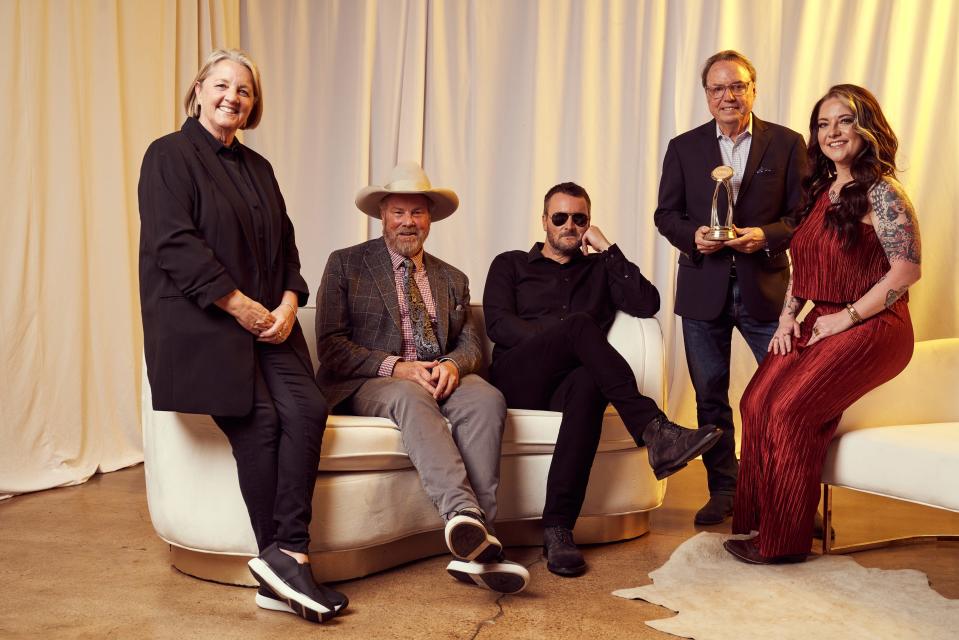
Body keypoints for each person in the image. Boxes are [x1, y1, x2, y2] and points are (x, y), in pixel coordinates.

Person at [138, 49, 346, 624]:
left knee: (306, 407)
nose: (234, 96)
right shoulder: (168, 156)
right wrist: (239, 306)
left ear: (254, 105)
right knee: (261, 423)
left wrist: (285, 302)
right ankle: (281, 560)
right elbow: (174, 244)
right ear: (199, 90)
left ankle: (286, 558)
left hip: (266, 322)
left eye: (245, 90)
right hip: (204, 324)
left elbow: (286, 247)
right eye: (223, 85)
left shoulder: (259, 169)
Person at [483, 182, 722, 577]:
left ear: (588, 224)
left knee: (589, 385)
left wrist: (608, 248)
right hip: (518, 378)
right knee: (577, 328)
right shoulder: (510, 264)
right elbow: (498, 325)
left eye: (579, 219)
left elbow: (647, 303)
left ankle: (558, 529)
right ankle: (654, 429)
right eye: (560, 218)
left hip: (568, 385)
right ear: (544, 221)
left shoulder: (600, 269)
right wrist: (558, 338)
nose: (569, 226)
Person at [725, 84, 921, 564]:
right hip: (821, 317)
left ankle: (783, 542)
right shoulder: (821, 189)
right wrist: (787, 318)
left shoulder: (884, 192)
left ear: (866, 128)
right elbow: (805, 265)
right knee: (754, 402)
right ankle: (759, 521)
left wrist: (848, 318)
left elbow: (907, 269)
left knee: (790, 411)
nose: (832, 132)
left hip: (875, 323)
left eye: (845, 121)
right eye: (823, 123)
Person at [315, 161, 529, 594]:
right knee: (410, 397)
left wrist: (451, 366)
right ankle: (462, 516)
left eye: (417, 213)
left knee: (486, 397)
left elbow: (471, 345)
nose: (408, 222)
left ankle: (477, 543)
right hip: (374, 380)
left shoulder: (452, 277)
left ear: (430, 219)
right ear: (382, 216)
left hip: (440, 374)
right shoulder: (346, 265)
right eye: (399, 212)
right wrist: (398, 367)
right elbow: (331, 346)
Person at [653, 50, 808, 526]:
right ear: (706, 96)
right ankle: (725, 489)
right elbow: (666, 215)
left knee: (789, 391)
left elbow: (802, 215)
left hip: (766, 286)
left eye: (736, 87)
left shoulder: (786, 143)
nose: (728, 96)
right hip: (704, 289)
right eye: (718, 89)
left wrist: (765, 235)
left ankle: (787, 490)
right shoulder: (684, 146)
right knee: (710, 395)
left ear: (753, 90)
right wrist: (694, 237)